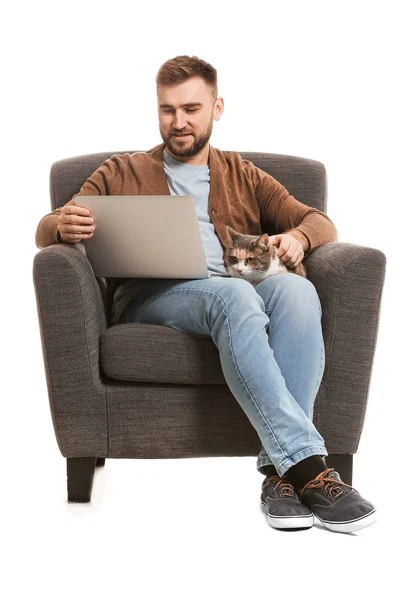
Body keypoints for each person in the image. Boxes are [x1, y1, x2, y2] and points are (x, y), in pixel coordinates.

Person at [35, 55, 377, 534]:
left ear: (217, 107)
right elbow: (50, 224)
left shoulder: (244, 174)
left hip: (240, 288)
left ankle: (279, 478)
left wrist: (300, 238)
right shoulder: (122, 170)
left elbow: (319, 221)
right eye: (167, 110)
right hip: (157, 297)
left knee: (297, 292)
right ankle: (307, 467)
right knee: (235, 297)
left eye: (191, 109)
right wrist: (57, 224)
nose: (178, 122)